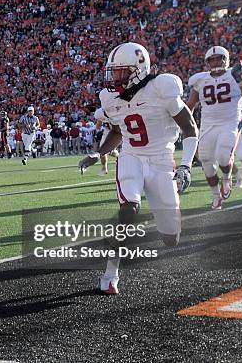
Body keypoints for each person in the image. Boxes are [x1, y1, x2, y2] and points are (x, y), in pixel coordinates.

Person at [79, 42, 199, 295]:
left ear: (139, 69)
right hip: (131, 156)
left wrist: (186, 166)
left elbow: (189, 128)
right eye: (114, 71)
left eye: (121, 71)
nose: (115, 78)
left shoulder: (162, 88)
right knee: (128, 210)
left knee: (170, 238)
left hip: (162, 160)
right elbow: (116, 130)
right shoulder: (110, 97)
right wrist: (98, 153)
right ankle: (110, 274)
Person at [186, 46, 242, 209]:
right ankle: (215, 195)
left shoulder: (235, 75)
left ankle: (227, 178)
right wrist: (184, 126)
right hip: (207, 126)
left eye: (218, 58)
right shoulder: (200, 79)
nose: (215, 62)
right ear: (207, 63)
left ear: (225, 60)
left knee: (222, 157)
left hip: (230, 123)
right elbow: (190, 105)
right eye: (211, 60)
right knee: (206, 161)